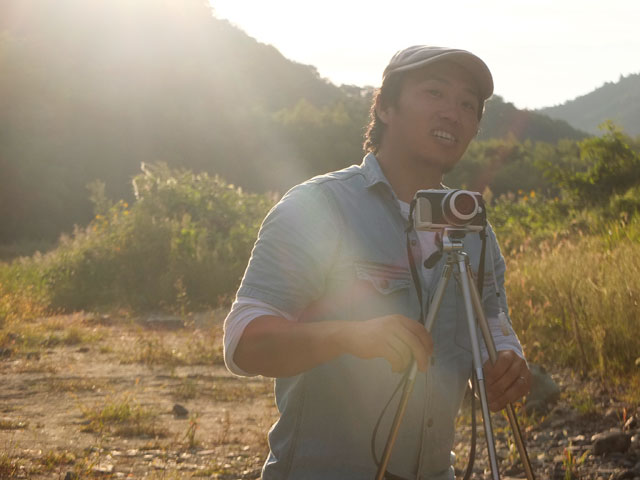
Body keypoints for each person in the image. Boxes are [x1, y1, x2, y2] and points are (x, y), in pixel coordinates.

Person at [223, 45, 531, 480]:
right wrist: (349, 336)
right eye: (435, 93)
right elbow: (242, 344)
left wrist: (507, 365)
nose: (453, 113)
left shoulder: (474, 231)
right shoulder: (318, 207)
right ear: (385, 106)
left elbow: (494, 330)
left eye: (468, 105)